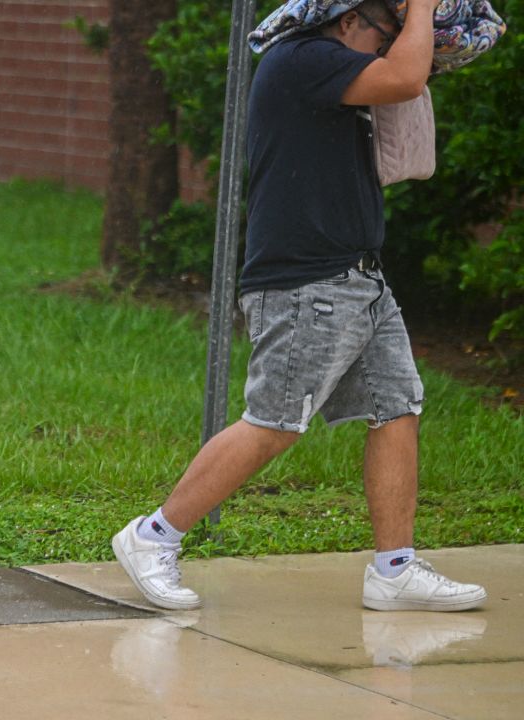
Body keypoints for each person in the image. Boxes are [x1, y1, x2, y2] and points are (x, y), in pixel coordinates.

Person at [112, 0, 487, 612]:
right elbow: (407, 77)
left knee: (397, 406)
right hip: (305, 284)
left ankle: (394, 569)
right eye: (384, 34)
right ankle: (152, 536)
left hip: (359, 275)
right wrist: (420, 7)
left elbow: (414, 71)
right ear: (345, 21)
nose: (392, 46)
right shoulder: (303, 59)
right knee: (275, 422)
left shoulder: (335, 64)